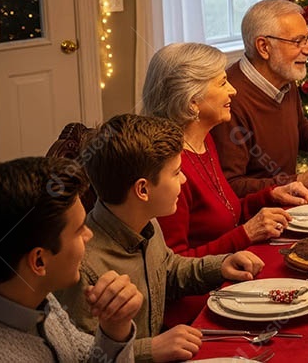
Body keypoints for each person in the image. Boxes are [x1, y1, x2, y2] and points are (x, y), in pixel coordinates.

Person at [56, 114, 265, 363]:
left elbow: (166, 269)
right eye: (176, 173)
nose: (184, 179)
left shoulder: (146, 222)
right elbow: (79, 356)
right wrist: (149, 349)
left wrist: (219, 266)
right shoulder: (82, 268)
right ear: (143, 190)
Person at [143, 42, 308, 257]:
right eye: (223, 83)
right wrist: (245, 234)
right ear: (193, 100)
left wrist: (271, 196)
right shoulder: (169, 166)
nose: (233, 90)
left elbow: (226, 214)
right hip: (209, 286)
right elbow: (174, 267)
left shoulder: (204, 142)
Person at [0, 156, 142, 362]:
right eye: (80, 229)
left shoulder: (38, 298)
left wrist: (115, 327)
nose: (89, 235)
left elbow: (85, 357)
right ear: (39, 261)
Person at [211, 0, 308, 196]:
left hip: (287, 207)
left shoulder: (283, 76)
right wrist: (298, 181)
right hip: (259, 218)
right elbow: (230, 188)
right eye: (298, 41)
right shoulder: (229, 100)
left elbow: (297, 126)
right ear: (264, 47)